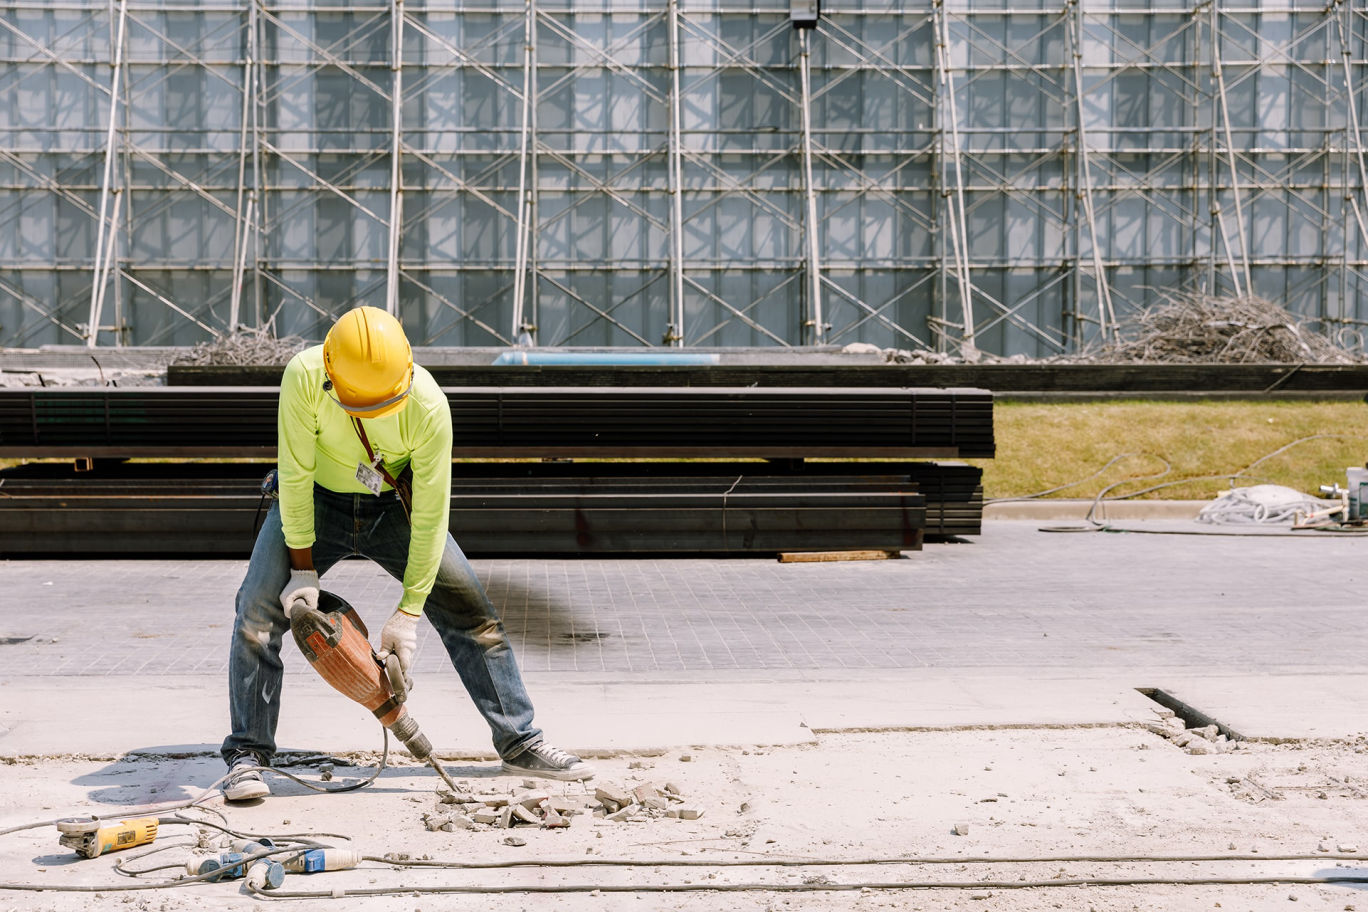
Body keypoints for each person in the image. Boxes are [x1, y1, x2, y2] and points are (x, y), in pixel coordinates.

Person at [220, 305, 593, 801]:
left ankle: (521, 741)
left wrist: (408, 613)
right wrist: (302, 571)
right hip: (314, 502)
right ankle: (248, 755)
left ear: (407, 374)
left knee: (473, 618)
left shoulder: (429, 407)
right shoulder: (305, 376)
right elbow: (294, 477)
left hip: (394, 507)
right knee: (256, 614)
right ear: (331, 375)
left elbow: (432, 518)